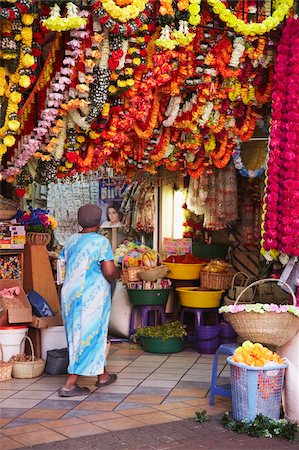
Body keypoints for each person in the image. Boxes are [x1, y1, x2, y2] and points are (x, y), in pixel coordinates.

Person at [58, 203, 117, 397]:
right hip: (91, 295)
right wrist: (117, 274)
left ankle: (103, 376)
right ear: (99, 223)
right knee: (87, 334)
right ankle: (70, 383)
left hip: (70, 293)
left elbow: (62, 264)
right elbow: (108, 271)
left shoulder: (72, 240)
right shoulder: (101, 242)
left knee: (86, 334)